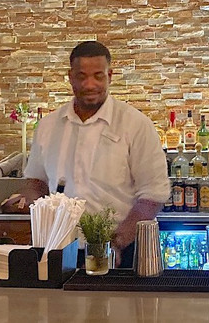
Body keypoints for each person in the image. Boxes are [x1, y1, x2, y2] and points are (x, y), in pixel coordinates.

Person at [24, 41, 170, 267]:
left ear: (110, 76)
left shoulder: (136, 124)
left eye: (98, 76)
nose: (89, 84)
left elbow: (153, 195)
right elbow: (35, 181)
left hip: (123, 251)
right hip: (59, 250)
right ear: (70, 77)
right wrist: (45, 226)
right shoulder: (48, 126)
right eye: (81, 76)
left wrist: (116, 243)